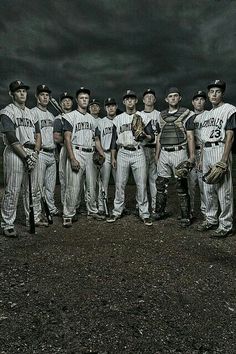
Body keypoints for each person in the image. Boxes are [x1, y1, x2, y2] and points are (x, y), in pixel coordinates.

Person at [107, 90, 155, 226]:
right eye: (127, 99)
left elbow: (152, 137)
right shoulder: (118, 118)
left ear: (136, 101)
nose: (129, 101)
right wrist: (113, 157)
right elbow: (113, 140)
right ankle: (117, 211)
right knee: (119, 184)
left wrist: (144, 135)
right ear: (124, 102)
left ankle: (144, 213)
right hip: (122, 152)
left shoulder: (143, 117)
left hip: (138, 151)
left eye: (132, 99)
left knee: (141, 184)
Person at [0, 80, 41, 237]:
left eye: (24, 90)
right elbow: (10, 136)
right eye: (18, 91)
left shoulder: (32, 113)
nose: (22, 93)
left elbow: (38, 135)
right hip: (15, 152)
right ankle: (7, 223)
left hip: (31, 151)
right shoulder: (7, 111)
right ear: (11, 94)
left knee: (32, 189)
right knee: (13, 190)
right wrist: (25, 156)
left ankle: (31, 219)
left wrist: (35, 153)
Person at [197, 80, 236, 238]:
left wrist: (224, 159)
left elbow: (230, 136)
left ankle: (225, 225)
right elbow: (202, 140)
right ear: (208, 94)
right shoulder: (205, 114)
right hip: (206, 151)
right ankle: (211, 219)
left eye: (217, 91)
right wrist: (200, 159)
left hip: (220, 149)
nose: (214, 94)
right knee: (208, 189)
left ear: (222, 94)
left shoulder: (229, 109)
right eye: (211, 91)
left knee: (223, 190)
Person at [62, 87, 105, 227]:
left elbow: (96, 139)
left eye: (86, 98)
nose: (84, 100)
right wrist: (72, 158)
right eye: (82, 98)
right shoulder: (70, 116)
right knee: (73, 186)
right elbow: (67, 139)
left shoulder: (92, 119)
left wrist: (101, 153)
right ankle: (68, 214)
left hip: (90, 153)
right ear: (77, 100)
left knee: (92, 185)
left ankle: (92, 210)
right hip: (77, 150)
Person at [155, 87, 195, 227]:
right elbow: (159, 136)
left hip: (179, 150)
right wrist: (157, 155)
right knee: (160, 183)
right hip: (164, 151)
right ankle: (159, 211)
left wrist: (192, 156)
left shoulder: (187, 113)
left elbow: (190, 136)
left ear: (180, 98)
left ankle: (185, 216)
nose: (173, 98)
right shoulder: (161, 115)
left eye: (175, 96)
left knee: (181, 184)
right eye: (170, 96)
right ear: (166, 99)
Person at [31, 85, 59, 221]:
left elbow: (54, 136)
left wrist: (57, 152)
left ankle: (51, 209)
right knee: (37, 186)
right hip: (40, 153)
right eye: (42, 94)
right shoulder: (32, 113)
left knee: (50, 186)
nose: (45, 97)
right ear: (37, 97)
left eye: (47, 95)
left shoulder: (52, 116)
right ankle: (37, 213)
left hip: (51, 153)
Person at [95, 97, 117, 214]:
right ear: (105, 108)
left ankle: (119, 207)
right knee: (104, 182)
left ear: (116, 107)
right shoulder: (101, 122)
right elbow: (97, 139)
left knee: (119, 183)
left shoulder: (120, 119)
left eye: (113, 105)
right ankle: (101, 206)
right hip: (106, 153)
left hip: (119, 154)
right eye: (108, 106)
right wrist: (102, 154)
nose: (111, 108)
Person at [140, 88, 161, 216]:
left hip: (155, 148)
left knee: (154, 180)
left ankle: (154, 207)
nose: (149, 98)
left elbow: (160, 135)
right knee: (141, 180)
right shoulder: (138, 115)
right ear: (143, 100)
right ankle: (141, 206)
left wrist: (158, 154)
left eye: (151, 96)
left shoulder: (159, 115)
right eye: (146, 96)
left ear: (155, 100)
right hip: (142, 149)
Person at [189, 90, 208, 218]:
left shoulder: (208, 115)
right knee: (190, 185)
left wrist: (201, 158)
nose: (199, 101)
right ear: (193, 102)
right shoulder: (188, 116)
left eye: (201, 99)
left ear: (204, 102)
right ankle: (188, 212)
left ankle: (206, 213)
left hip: (203, 151)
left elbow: (206, 140)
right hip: (191, 152)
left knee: (203, 185)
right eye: (196, 99)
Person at [53, 92, 74, 205]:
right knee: (65, 179)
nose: (67, 102)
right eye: (64, 101)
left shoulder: (76, 116)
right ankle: (66, 205)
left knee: (76, 179)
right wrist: (70, 141)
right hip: (65, 149)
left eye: (69, 100)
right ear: (61, 104)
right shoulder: (58, 119)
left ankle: (75, 205)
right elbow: (56, 138)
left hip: (78, 150)